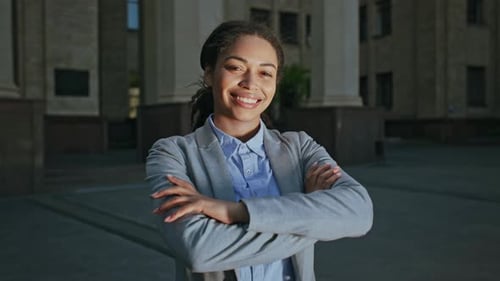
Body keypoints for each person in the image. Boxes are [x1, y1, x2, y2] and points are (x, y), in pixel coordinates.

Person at [147, 20, 373, 281]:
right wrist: (312, 217)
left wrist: (235, 212)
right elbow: (199, 250)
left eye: (265, 73)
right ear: (209, 74)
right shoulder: (173, 154)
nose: (250, 82)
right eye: (235, 67)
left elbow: (360, 213)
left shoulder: (300, 147)